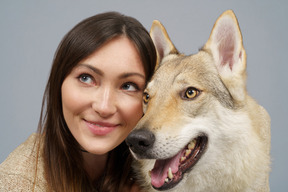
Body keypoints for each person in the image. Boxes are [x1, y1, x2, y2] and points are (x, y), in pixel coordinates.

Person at [0, 12, 157, 191]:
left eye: (128, 86)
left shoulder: (160, 174)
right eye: (86, 78)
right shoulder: (18, 182)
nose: (104, 107)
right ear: (58, 82)